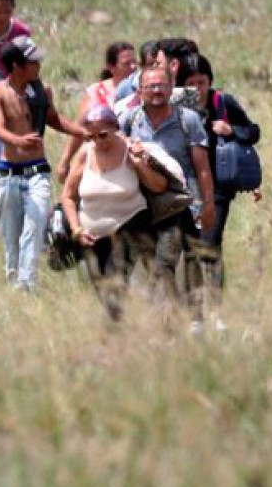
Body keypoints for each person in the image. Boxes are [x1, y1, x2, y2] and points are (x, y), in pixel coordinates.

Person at [61, 103, 190, 323]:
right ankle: (120, 329)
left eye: (103, 135)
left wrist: (140, 165)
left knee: (115, 278)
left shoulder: (131, 149)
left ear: (116, 128)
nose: (97, 141)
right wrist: (76, 229)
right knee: (102, 287)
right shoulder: (85, 154)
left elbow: (159, 186)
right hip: (91, 236)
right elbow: (68, 196)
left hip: (130, 226)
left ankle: (120, 331)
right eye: (91, 137)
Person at [120, 64, 218, 328]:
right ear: (140, 91)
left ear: (170, 87)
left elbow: (202, 167)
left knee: (190, 256)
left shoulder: (188, 120)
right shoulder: (130, 121)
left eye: (162, 85)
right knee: (157, 263)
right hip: (145, 203)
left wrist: (208, 204)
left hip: (184, 202)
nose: (156, 91)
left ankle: (195, 317)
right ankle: (168, 316)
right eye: (150, 86)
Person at [0, 38, 79, 291]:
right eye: (33, 61)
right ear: (17, 65)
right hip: (9, 173)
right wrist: (18, 140)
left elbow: (53, 119)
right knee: (11, 232)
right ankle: (13, 280)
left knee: (36, 221)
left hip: (38, 170)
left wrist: (81, 131)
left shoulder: (41, 91)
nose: (38, 65)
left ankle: (26, 283)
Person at [174, 53, 261, 312]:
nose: (197, 89)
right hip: (184, 185)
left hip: (220, 185)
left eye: (202, 82)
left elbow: (254, 131)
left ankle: (215, 305)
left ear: (210, 80)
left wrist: (231, 130)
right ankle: (192, 307)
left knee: (210, 244)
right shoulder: (177, 103)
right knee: (188, 247)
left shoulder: (221, 101)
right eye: (191, 83)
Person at [84, 42, 138, 116]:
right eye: (126, 64)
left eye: (134, 62)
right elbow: (80, 124)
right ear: (111, 67)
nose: (133, 67)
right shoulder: (96, 92)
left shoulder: (142, 90)